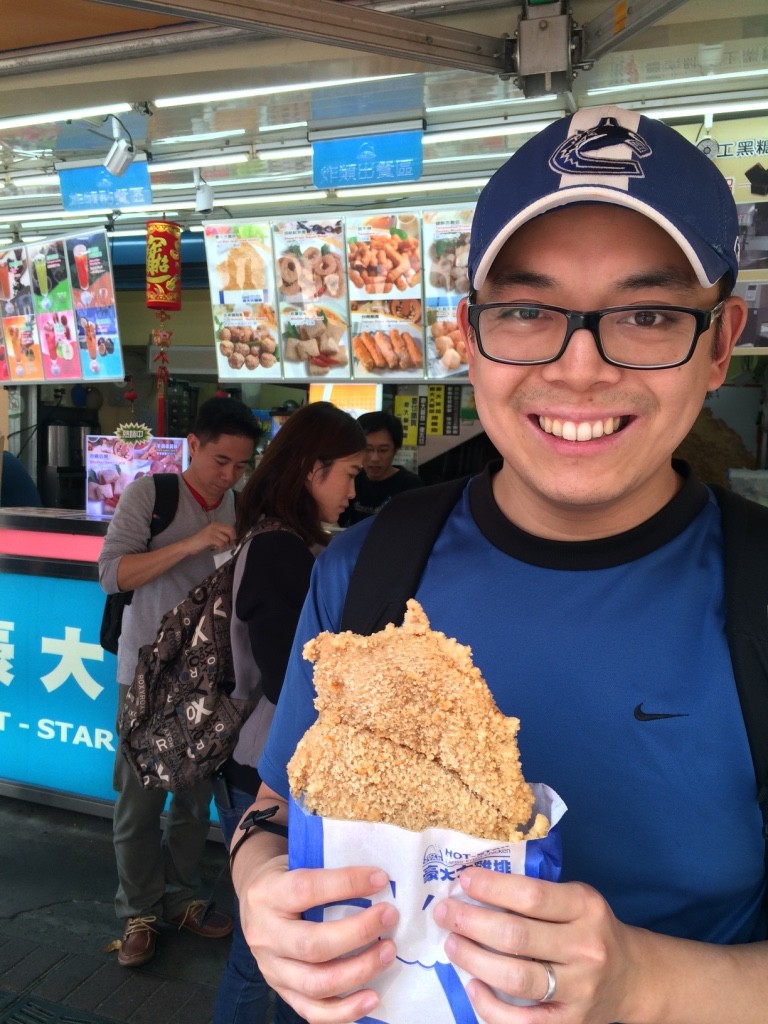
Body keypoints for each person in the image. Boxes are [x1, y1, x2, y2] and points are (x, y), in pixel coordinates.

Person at [229, 104, 768, 1024]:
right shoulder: (369, 570)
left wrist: (642, 982)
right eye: (527, 310)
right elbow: (277, 803)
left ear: (720, 344)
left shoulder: (754, 591)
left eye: (646, 314)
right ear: (469, 337)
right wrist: (257, 885)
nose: (581, 367)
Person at [212, 400, 365, 1024]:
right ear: (312, 469)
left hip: (275, 760)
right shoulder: (281, 549)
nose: (354, 491)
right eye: (348, 474)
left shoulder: (290, 540)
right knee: (267, 943)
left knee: (284, 938)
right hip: (267, 767)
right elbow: (290, 674)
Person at [98, 396, 260, 969]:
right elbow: (112, 574)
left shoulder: (244, 505)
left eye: (241, 465)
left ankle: (183, 896)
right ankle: (139, 910)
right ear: (192, 445)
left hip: (211, 680)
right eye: (221, 461)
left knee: (193, 798)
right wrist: (192, 543)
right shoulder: (153, 496)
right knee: (139, 800)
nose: (230, 476)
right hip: (145, 673)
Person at [340, 410, 423, 526]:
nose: (374, 458)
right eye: (368, 449)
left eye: (383, 450)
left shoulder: (410, 485)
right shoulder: (352, 479)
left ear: (395, 450)